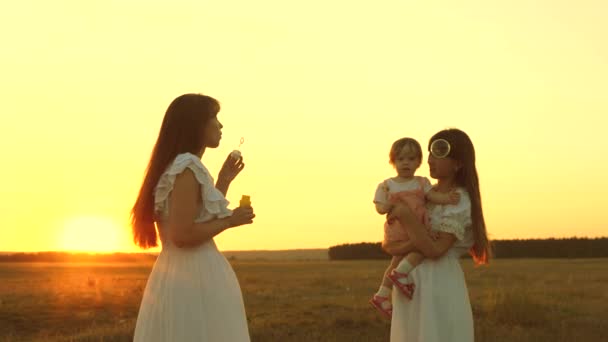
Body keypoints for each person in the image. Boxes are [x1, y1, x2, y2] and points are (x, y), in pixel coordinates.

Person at [130, 93, 255, 341]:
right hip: (194, 277)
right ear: (195, 124)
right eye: (214, 117)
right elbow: (183, 235)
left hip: (178, 273)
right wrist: (230, 220)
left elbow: (196, 216)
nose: (220, 125)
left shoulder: (179, 166)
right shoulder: (187, 166)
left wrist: (223, 180)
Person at [383, 128, 490, 341]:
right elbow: (389, 245)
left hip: (438, 285)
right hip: (409, 284)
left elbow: (436, 250)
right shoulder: (423, 195)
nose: (430, 159)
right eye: (430, 152)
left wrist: (405, 215)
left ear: (458, 163)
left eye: (439, 152)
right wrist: (409, 242)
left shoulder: (459, 201)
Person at [370, 137, 460, 318]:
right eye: (401, 159)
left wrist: (447, 199)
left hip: (415, 227)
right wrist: (385, 207)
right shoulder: (387, 185)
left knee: (395, 260)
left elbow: (433, 197)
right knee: (420, 248)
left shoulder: (421, 182)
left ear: (419, 162)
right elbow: (379, 207)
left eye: (411, 159)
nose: (406, 163)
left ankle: (382, 293)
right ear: (392, 161)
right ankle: (401, 274)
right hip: (400, 228)